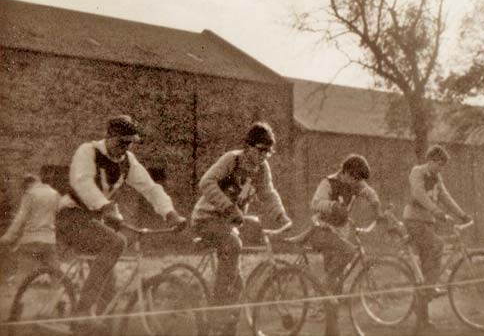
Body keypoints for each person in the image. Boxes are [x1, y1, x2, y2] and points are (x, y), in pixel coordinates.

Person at [56, 115, 187, 331]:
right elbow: (83, 183)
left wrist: (170, 213)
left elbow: (150, 188)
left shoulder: (127, 162)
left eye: (129, 144)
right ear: (109, 137)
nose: (124, 148)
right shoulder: (88, 151)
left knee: (109, 287)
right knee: (117, 243)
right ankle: (82, 311)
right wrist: (106, 207)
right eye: (121, 142)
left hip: (94, 222)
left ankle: (93, 329)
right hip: (71, 217)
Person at [191, 121, 291, 336]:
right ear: (248, 146)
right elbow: (206, 182)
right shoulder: (232, 160)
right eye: (260, 150)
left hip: (228, 224)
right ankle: (218, 309)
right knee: (233, 245)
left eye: (268, 152)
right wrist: (228, 207)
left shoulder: (261, 169)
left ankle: (228, 330)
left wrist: (279, 214)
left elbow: (268, 193)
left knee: (238, 284)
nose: (264, 156)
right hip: (206, 218)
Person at [308, 153, 384, 336]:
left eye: (359, 180)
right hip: (322, 230)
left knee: (337, 280)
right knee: (345, 257)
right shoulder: (328, 182)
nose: (356, 183)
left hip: (339, 234)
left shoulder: (356, 183)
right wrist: (333, 206)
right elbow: (315, 203)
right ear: (345, 172)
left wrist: (377, 206)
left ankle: (332, 328)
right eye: (355, 178)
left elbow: (369, 192)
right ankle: (322, 295)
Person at [403, 145, 471, 331]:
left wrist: (462, 214)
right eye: (439, 164)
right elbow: (419, 193)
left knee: (427, 269)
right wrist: (436, 211)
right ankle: (430, 289)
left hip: (427, 223)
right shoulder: (418, 172)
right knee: (438, 245)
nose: (440, 169)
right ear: (430, 160)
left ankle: (423, 318)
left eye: (442, 166)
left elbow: (445, 196)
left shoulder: (437, 177)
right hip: (414, 220)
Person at [0, 174, 72, 285]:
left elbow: (20, 218)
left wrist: (7, 237)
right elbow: (59, 211)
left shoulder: (30, 194)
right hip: (49, 241)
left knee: (23, 277)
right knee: (56, 276)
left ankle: (19, 301)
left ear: (27, 184)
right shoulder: (54, 193)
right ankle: (56, 299)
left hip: (30, 241)